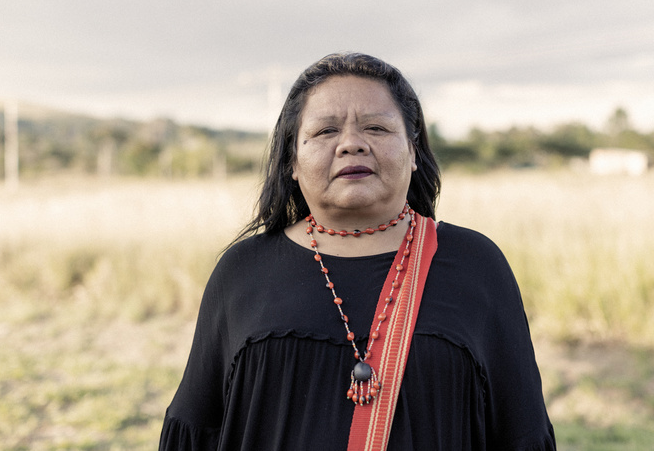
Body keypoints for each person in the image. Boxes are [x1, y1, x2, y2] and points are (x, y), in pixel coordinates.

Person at [159, 52, 556, 450]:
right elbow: (196, 431)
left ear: (413, 151)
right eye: (326, 131)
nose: (352, 144)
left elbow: (522, 433)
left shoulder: (476, 264)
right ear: (292, 161)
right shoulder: (242, 269)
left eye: (377, 128)